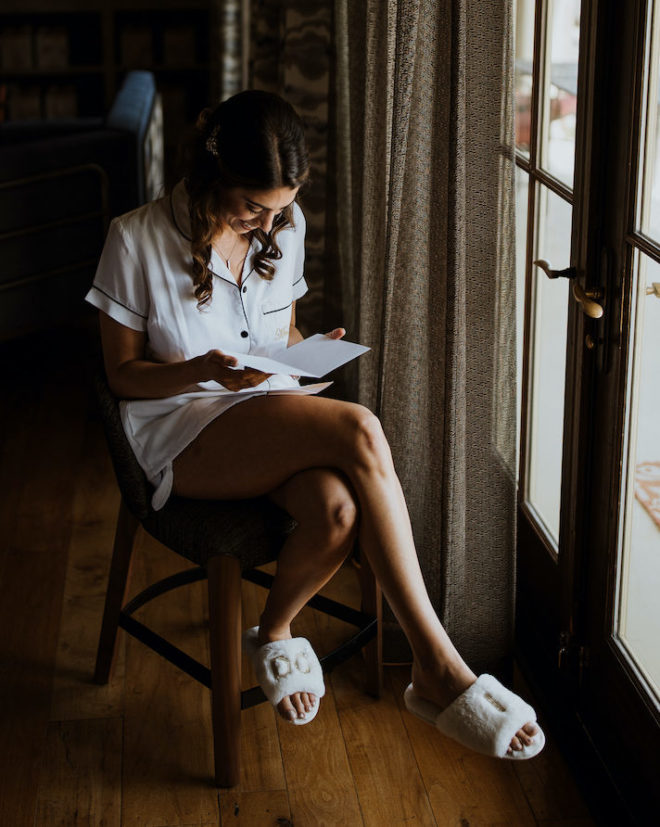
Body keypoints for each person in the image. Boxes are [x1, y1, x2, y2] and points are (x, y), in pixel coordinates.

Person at [86, 90, 543, 759]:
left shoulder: (284, 227)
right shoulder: (135, 238)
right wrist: (202, 371)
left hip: (264, 409)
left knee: (335, 507)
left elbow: (281, 329)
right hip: (180, 429)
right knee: (360, 431)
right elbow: (122, 376)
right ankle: (438, 666)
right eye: (253, 207)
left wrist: (300, 352)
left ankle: (272, 630)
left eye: (280, 208)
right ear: (214, 176)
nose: (269, 225)